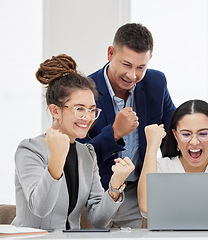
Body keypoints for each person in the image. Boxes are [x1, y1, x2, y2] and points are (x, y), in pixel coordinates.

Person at [12, 54, 135, 230]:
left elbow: (98, 219)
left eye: (92, 110)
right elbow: (40, 208)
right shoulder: (30, 150)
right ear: (55, 111)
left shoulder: (87, 153)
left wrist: (115, 186)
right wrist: (56, 160)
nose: (88, 117)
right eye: (79, 109)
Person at [78, 23, 176, 228]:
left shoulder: (156, 82)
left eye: (141, 67)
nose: (133, 75)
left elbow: (174, 134)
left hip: (137, 193)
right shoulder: (85, 90)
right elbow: (76, 156)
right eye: (126, 65)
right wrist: (114, 133)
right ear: (110, 53)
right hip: (94, 195)